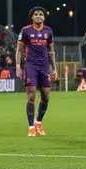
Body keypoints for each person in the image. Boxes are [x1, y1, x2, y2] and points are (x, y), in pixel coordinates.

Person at [16, 7, 58, 137]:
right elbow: (19, 49)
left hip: (44, 67)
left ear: (44, 18)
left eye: (41, 14)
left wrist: (55, 68)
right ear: (32, 17)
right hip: (31, 66)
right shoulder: (25, 30)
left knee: (46, 96)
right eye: (36, 14)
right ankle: (31, 127)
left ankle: (38, 122)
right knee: (31, 95)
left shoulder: (48, 31)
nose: (38, 16)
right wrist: (18, 66)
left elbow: (51, 51)